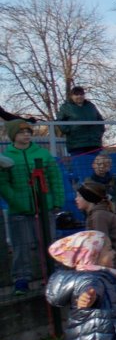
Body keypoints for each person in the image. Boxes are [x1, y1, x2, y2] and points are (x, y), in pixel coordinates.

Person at [0, 119, 65, 295]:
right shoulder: (6, 157)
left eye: (28, 132)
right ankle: (21, 279)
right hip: (19, 210)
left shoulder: (43, 154)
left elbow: (55, 178)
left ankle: (53, 274)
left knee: (49, 242)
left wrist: (56, 200)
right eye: (22, 132)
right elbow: (3, 183)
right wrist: (16, 201)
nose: (26, 135)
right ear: (13, 135)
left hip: (45, 207)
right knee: (21, 246)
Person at [76, 180, 116, 273]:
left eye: (79, 196)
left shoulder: (99, 216)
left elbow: (100, 244)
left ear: (88, 198)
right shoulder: (97, 214)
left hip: (115, 260)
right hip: (114, 258)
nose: (76, 199)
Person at [57, 86, 105, 157]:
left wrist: (99, 132)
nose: (79, 96)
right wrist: (68, 130)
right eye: (76, 94)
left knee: (97, 164)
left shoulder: (91, 106)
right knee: (79, 163)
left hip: (94, 144)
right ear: (71, 96)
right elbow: (60, 120)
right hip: (76, 145)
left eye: (81, 94)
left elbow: (100, 120)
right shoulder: (66, 107)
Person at [87, 152, 116, 216]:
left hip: (115, 214)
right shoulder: (88, 182)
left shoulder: (114, 180)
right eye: (99, 164)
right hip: (97, 215)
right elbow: (87, 203)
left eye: (105, 165)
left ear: (110, 167)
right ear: (93, 165)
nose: (102, 166)